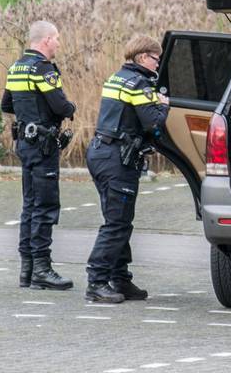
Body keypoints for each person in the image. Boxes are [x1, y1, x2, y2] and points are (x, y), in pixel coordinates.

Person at [85, 35, 170, 303]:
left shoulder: (117, 77)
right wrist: (164, 105)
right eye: (157, 59)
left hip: (100, 153)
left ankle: (120, 279)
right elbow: (153, 124)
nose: (159, 64)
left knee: (118, 221)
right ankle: (97, 282)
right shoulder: (139, 84)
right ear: (143, 57)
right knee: (117, 223)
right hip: (117, 159)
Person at [1, 21, 76, 290]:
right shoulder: (43, 69)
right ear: (45, 40)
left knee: (29, 205)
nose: (58, 43)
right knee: (45, 206)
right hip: (43, 145)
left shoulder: (16, 67)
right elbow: (61, 106)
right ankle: (42, 270)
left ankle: (27, 270)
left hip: (25, 143)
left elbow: (6, 104)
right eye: (56, 38)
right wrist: (71, 107)